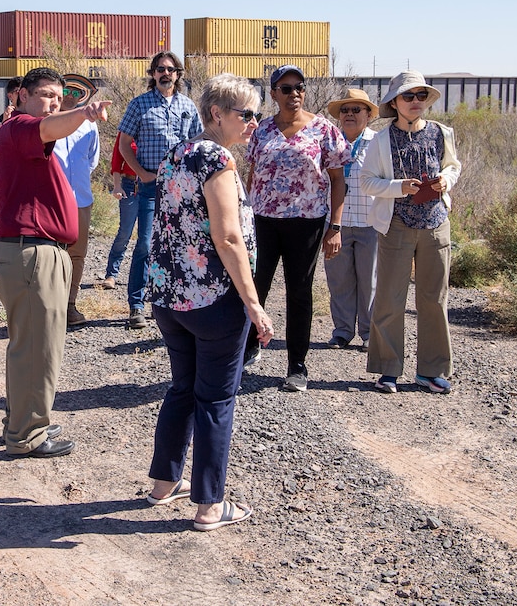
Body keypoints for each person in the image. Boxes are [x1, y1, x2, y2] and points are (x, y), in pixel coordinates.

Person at [144, 73, 274, 531]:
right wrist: (253, 303)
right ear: (217, 114)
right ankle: (209, 505)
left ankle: (164, 483)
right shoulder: (216, 159)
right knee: (216, 399)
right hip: (213, 299)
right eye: (247, 114)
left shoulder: (177, 154)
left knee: (183, 388)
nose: (254, 122)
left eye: (257, 114)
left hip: (170, 297)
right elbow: (228, 236)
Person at [0, 67, 111, 458]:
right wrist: (84, 113)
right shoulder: (20, 127)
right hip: (32, 252)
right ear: (21, 95)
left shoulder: (28, 131)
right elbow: (50, 128)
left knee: (35, 345)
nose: (53, 103)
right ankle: (26, 434)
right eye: (45, 95)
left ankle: (25, 419)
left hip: (40, 251)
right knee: (36, 349)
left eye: (58, 98)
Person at [244, 65, 349, 393]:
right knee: (255, 285)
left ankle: (297, 365)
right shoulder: (262, 130)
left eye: (299, 87)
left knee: (299, 293)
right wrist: (245, 213)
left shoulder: (323, 130)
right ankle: (249, 345)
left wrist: (335, 226)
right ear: (273, 93)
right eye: (286, 88)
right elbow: (253, 175)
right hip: (263, 220)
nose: (294, 94)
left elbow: (337, 181)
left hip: (306, 223)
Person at [360, 71, 461, 394]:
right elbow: (367, 181)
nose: (415, 102)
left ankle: (432, 371)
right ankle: (388, 369)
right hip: (397, 225)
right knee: (390, 299)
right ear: (394, 102)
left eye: (420, 96)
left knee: (434, 300)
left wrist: (447, 179)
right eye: (408, 96)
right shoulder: (380, 140)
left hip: (435, 224)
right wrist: (397, 187)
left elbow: (453, 165)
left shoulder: (441, 133)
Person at [117, 51, 201, 328]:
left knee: (177, 245)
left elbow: (198, 142)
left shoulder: (188, 106)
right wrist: (141, 173)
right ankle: (136, 305)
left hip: (181, 189)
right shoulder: (139, 105)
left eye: (170, 69)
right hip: (151, 188)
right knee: (145, 244)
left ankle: (167, 304)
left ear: (178, 74)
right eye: (160, 69)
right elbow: (123, 143)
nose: (165, 74)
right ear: (152, 74)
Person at [324, 89, 380, 353]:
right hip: (336, 224)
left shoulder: (379, 144)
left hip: (371, 223)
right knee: (339, 281)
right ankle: (342, 331)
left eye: (356, 110)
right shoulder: (331, 143)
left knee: (370, 281)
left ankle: (369, 333)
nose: (349, 115)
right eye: (345, 110)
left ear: (368, 115)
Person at [53, 73, 100, 326]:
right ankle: (51, 306)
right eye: (67, 92)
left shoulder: (89, 125)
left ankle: (70, 305)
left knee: (77, 255)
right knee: (52, 254)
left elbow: (91, 161)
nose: (71, 98)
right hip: (54, 200)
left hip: (81, 198)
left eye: (76, 94)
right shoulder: (47, 122)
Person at [98, 131, 137, 290]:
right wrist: (117, 185)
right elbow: (116, 160)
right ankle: (111, 274)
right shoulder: (127, 132)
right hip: (129, 185)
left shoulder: (156, 130)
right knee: (125, 232)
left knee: (149, 237)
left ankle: (145, 277)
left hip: (152, 186)